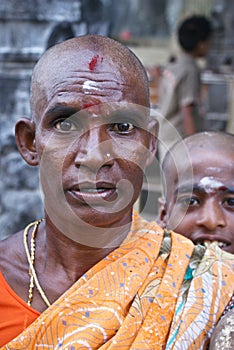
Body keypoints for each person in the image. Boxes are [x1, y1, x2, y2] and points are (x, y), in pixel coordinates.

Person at [0, 35, 233, 349]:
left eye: (122, 127)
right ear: (29, 143)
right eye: (66, 124)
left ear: (150, 143)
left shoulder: (207, 284)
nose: (95, 155)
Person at [158, 131, 234, 350]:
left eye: (231, 202)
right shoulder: (131, 286)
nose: (210, 221)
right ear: (164, 214)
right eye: (191, 200)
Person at [158, 15, 212, 161]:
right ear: (201, 44)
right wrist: (194, 145)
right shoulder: (191, 70)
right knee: (184, 182)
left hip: (166, 136)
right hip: (181, 139)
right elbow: (187, 110)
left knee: (171, 181)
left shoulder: (173, 65)